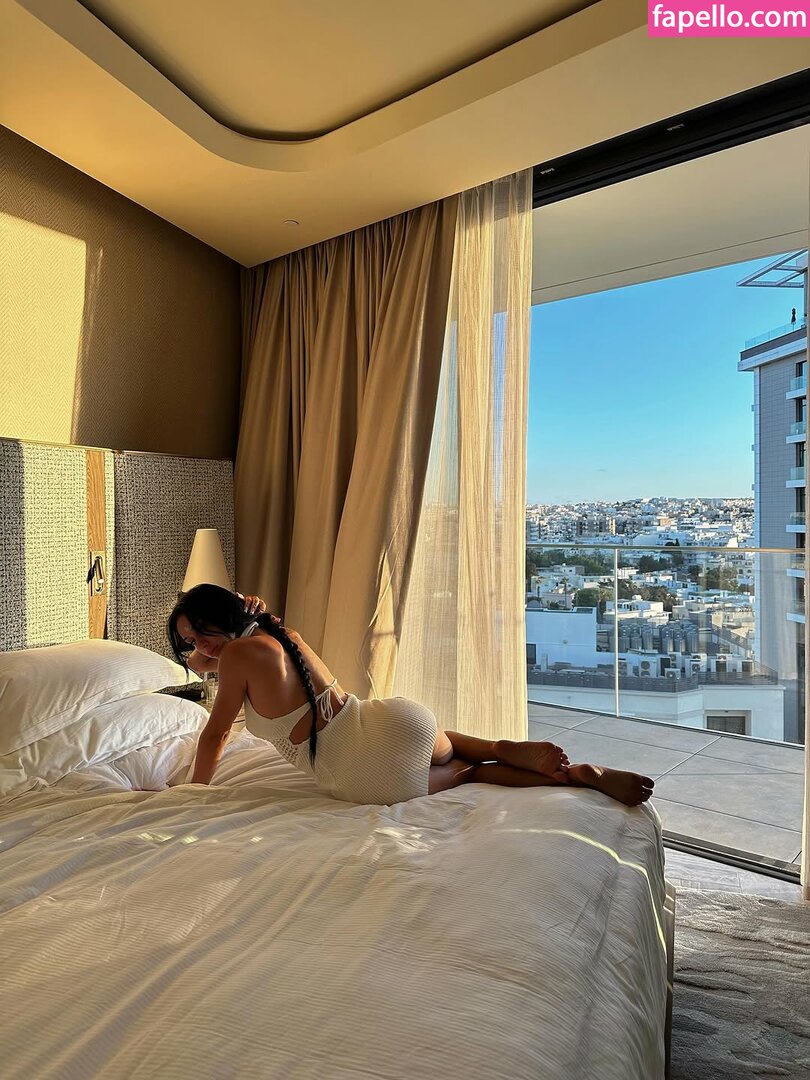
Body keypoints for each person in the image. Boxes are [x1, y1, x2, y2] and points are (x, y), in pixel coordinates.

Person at [168, 584, 654, 807]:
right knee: (459, 748)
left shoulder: (236, 659)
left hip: (363, 771)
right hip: (398, 722)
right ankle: (511, 749)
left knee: (471, 774)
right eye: (190, 642)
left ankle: (570, 778)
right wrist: (223, 634)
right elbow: (218, 661)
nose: (198, 648)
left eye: (201, 633)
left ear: (220, 619)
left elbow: (215, 735)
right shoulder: (280, 636)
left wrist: (192, 793)